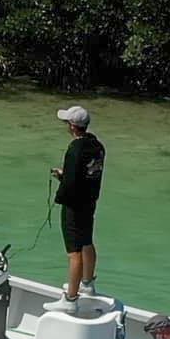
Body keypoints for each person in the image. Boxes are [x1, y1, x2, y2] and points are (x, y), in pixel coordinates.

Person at [49, 105, 105, 304]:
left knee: (74, 252)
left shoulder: (75, 148)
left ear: (72, 126)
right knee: (87, 241)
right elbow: (87, 174)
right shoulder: (97, 146)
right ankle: (87, 284)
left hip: (73, 205)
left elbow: (71, 183)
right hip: (89, 202)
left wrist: (59, 191)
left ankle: (71, 298)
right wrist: (66, 175)